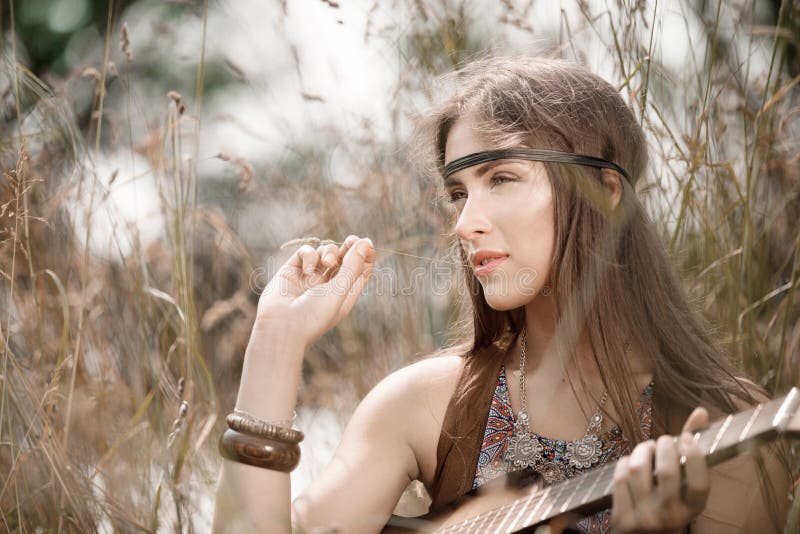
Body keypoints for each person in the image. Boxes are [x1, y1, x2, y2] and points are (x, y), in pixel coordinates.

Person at [213, 56, 790, 533]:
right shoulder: (425, 403)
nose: (465, 224)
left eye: (502, 179)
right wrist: (276, 341)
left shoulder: (725, 427)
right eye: (458, 194)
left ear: (605, 190)